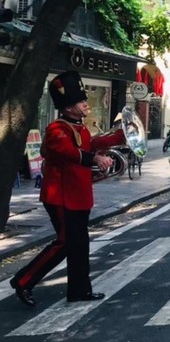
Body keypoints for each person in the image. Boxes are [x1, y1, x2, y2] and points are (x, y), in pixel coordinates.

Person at [10, 71, 121, 307]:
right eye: (81, 101)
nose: (85, 103)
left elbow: (92, 144)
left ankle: (79, 291)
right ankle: (22, 281)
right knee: (64, 242)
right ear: (69, 107)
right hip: (61, 197)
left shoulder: (79, 127)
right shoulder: (56, 129)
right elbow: (69, 152)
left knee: (79, 245)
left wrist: (120, 136)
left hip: (78, 196)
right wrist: (94, 159)